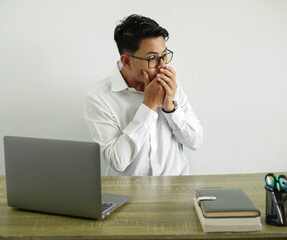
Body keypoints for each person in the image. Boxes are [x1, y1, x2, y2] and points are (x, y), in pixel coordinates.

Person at [83, 14, 203, 176]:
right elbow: (117, 161)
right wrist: (148, 106)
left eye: (164, 55)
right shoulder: (98, 97)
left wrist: (170, 108)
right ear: (126, 61)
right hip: (128, 194)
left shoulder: (169, 84)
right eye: (152, 58)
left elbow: (195, 141)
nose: (162, 66)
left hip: (176, 190)